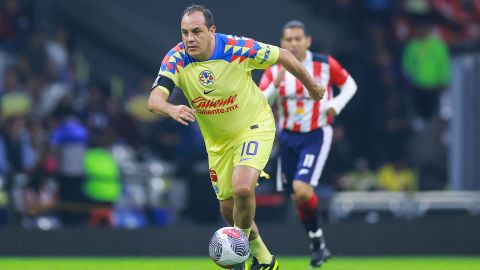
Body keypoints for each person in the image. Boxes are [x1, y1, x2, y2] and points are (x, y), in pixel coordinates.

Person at [148, 6, 325, 270]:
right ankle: (265, 259)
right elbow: (153, 101)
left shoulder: (235, 48)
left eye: (196, 31)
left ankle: (236, 252)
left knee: (243, 188)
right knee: (229, 209)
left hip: (254, 126)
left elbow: (284, 55)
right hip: (218, 144)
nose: (189, 38)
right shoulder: (176, 58)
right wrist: (171, 108)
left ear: (211, 31)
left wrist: (312, 86)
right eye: (185, 33)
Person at [259, 20, 357, 268]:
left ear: (307, 41)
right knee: (298, 197)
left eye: (297, 39)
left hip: (315, 134)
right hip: (287, 137)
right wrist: (277, 82)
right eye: (288, 40)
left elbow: (349, 84)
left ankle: (317, 242)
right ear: (282, 43)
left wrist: (336, 105)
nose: (293, 43)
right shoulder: (274, 68)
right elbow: (261, 101)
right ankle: (317, 243)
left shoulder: (323, 64)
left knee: (302, 190)